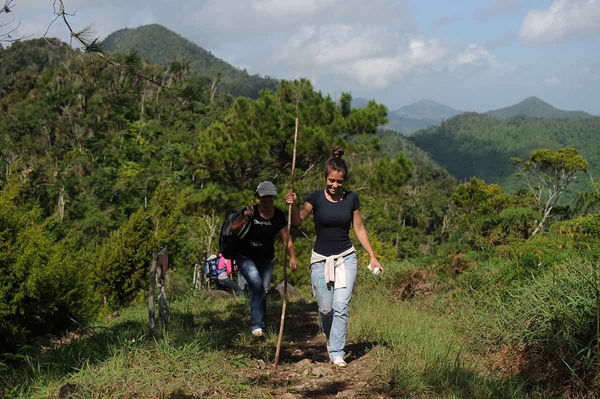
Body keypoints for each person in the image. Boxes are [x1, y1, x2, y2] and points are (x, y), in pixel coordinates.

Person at [285, 147, 384, 368]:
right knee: (326, 308)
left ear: (344, 180)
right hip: (320, 261)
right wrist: (292, 206)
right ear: (325, 177)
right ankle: (331, 340)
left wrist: (372, 257)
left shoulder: (352, 199)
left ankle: (337, 351)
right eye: (331, 181)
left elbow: (359, 229)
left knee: (341, 305)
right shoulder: (315, 198)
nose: (335, 186)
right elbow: (298, 220)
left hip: (346, 258)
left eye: (339, 182)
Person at [231, 181, 297, 338]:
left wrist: (292, 256)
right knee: (257, 284)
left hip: (266, 259)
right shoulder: (249, 211)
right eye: (263, 197)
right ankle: (256, 325)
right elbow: (233, 228)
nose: (267, 200)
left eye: (270, 197)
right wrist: (244, 218)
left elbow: (286, 237)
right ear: (258, 197)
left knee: (263, 290)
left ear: (274, 197)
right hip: (245, 257)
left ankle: (260, 324)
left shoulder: (279, 215)